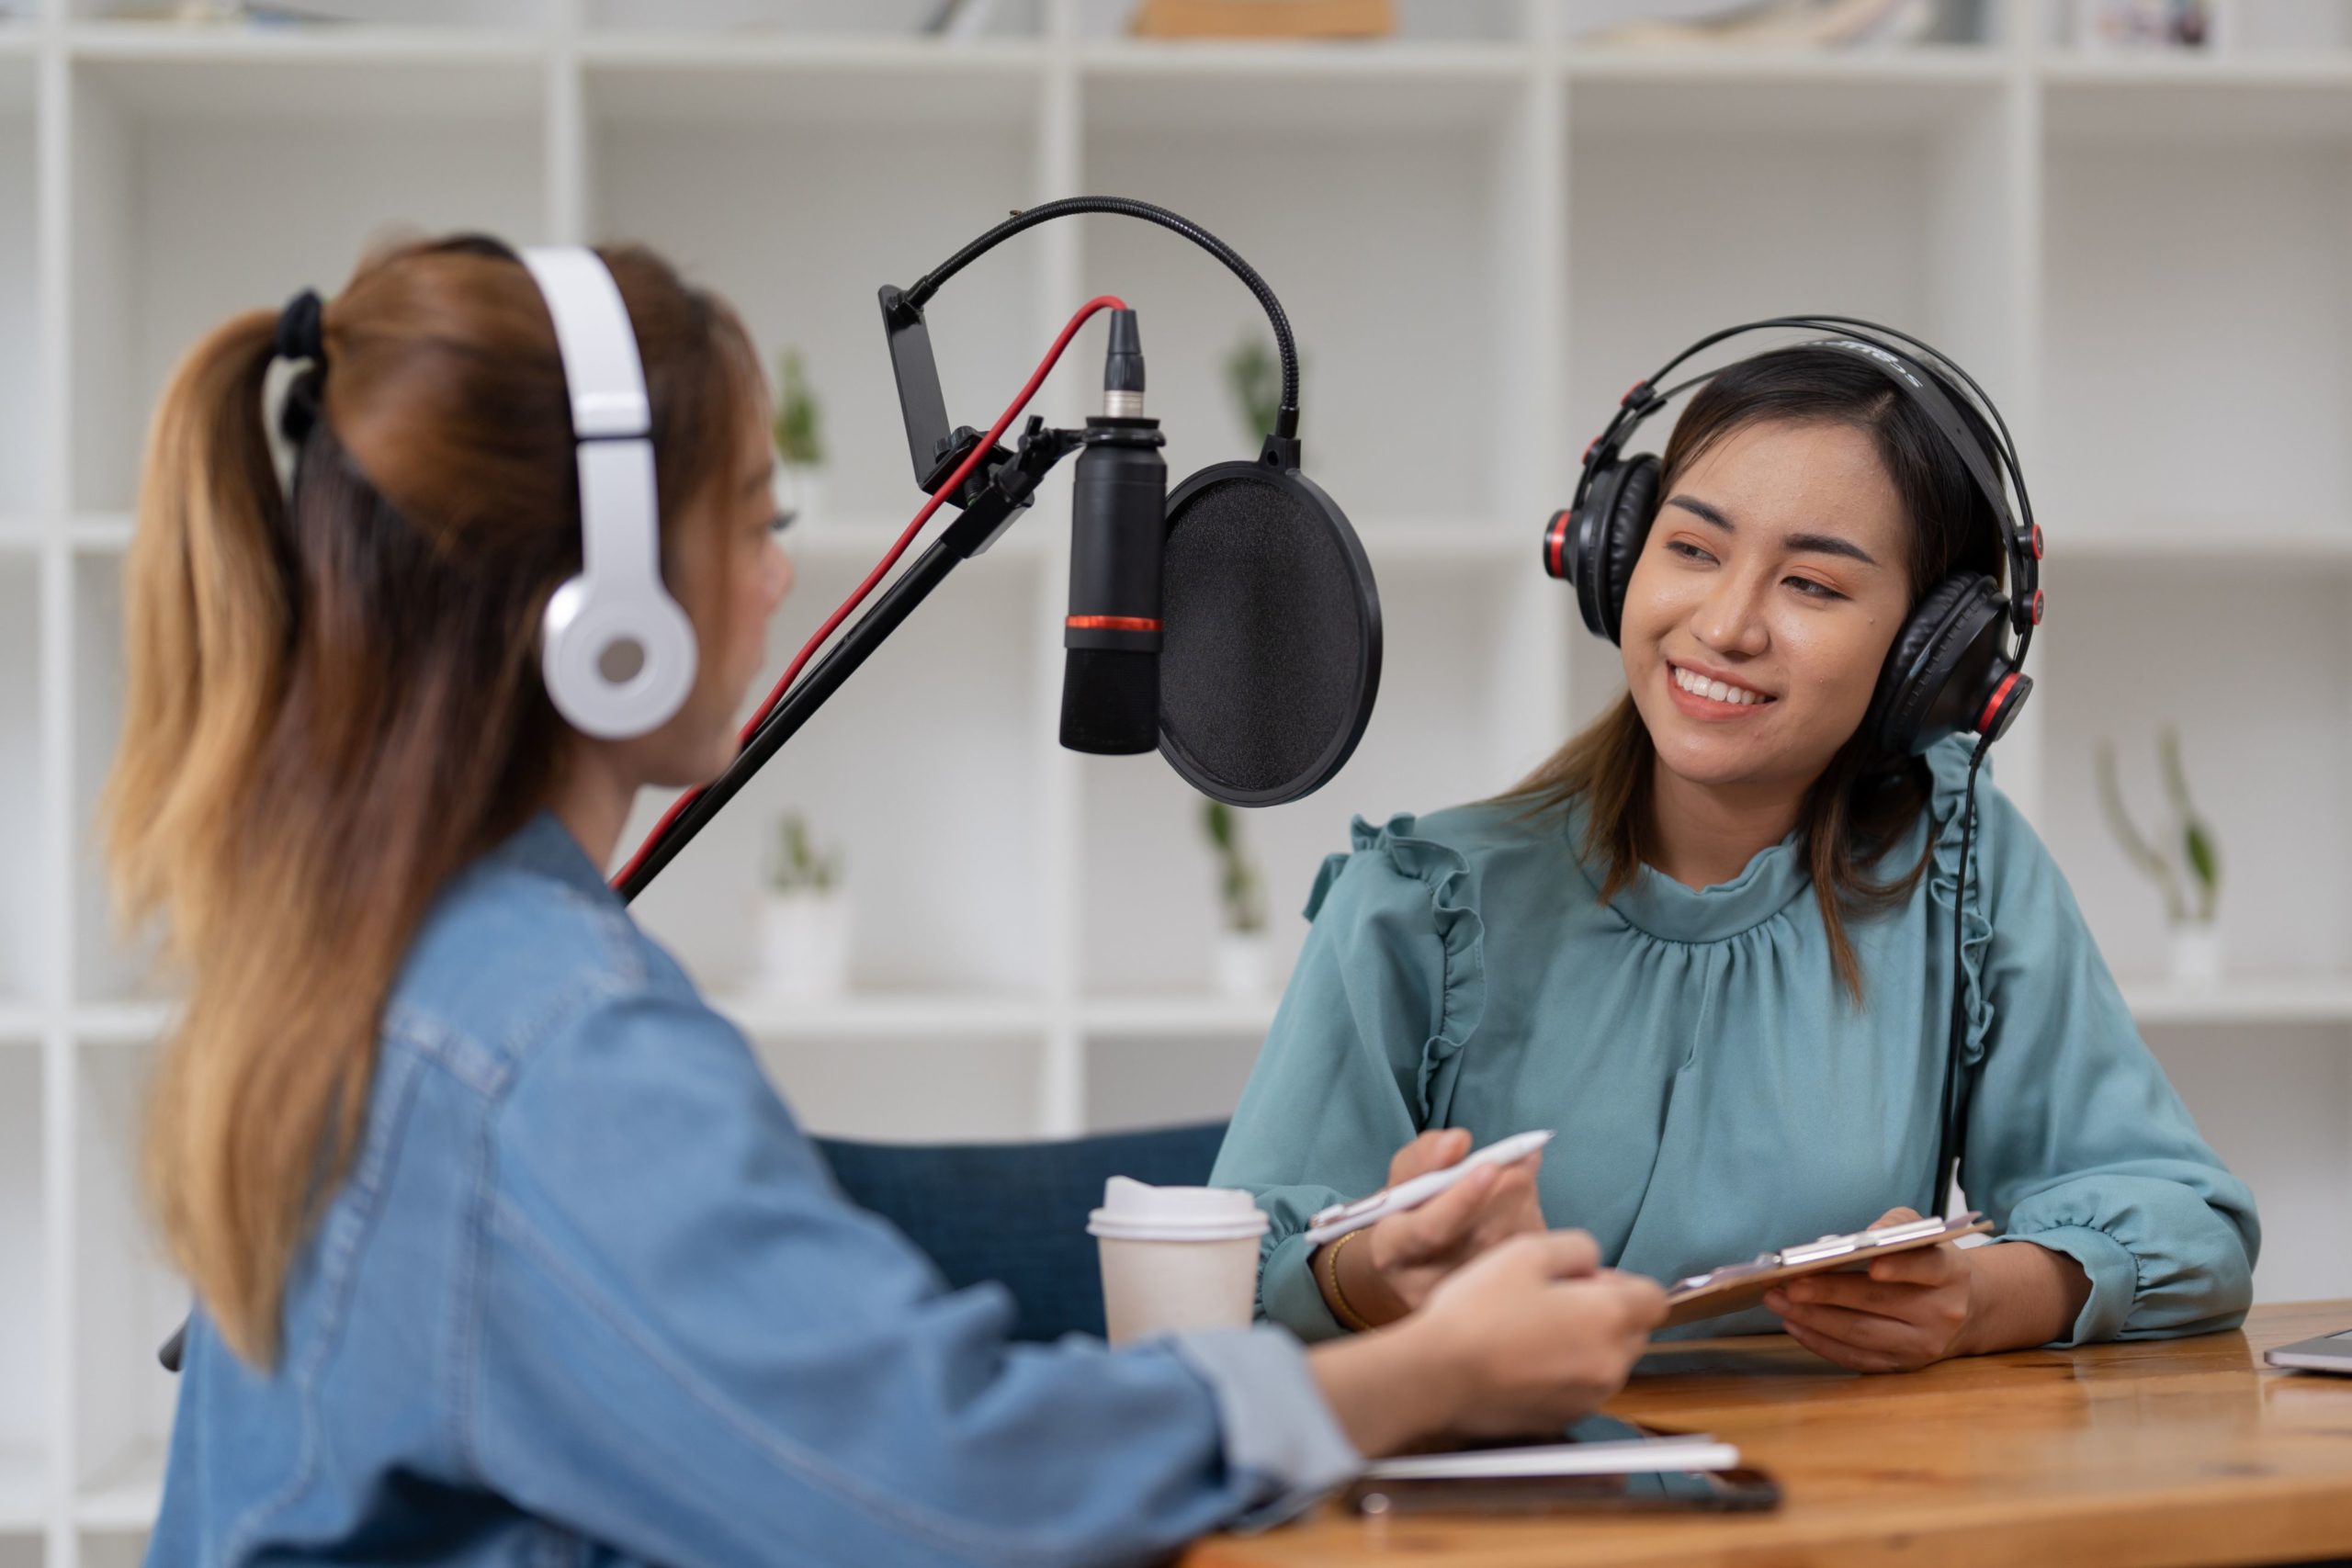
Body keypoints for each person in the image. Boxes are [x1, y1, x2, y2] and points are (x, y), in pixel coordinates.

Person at [111, 233, 1667, 1566]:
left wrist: (1331, 1275)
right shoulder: (543, 1044)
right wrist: (1430, 1378)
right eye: (753, 520)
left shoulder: (406, 950)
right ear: (606, 618)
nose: (779, 576)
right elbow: (941, 1485)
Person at [1211, 341, 2257, 1373]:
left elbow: (2186, 1224)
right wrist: (1370, 1279)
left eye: (1810, 585)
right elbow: (1226, 1279)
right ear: (1611, 557)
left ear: (1926, 658)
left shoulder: (1960, 869)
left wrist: (1984, 1298)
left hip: (1843, 1507)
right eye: (1693, 550)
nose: (1724, 625)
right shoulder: (1420, 900)